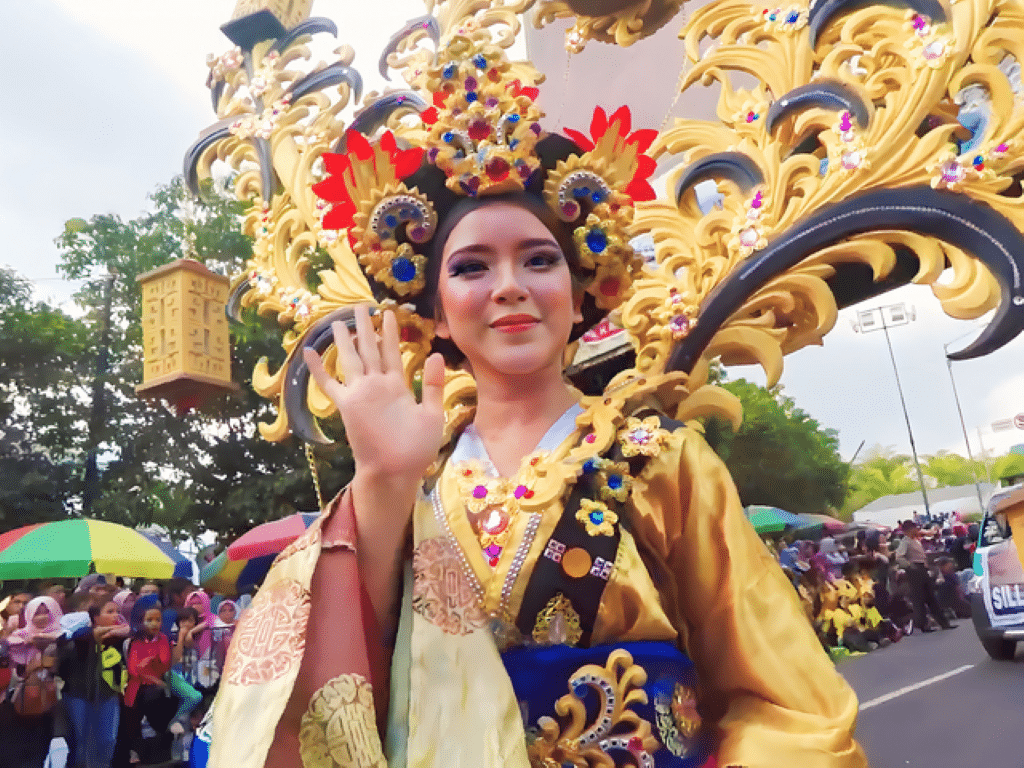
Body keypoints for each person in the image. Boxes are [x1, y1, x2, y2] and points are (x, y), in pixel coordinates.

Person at [59, 601, 129, 768]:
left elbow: (134, 629)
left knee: (107, 740)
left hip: (108, 695)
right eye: (110, 611)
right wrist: (98, 635)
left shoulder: (119, 637)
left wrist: (112, 631)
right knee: (81, 740)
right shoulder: (82, 635)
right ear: (95, 617)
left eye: (117, 611)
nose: (115, 615)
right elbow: (82, 637)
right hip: (79, 695)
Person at [114, 596, 179, 768]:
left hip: (156, 687)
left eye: (158, 620)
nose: (154, 624)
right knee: (133, 712)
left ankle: (159, 753)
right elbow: (135, 670)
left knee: (158, 705)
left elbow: (164, 663)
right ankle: (137, 751)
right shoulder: (134, 642)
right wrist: (150, 671)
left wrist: (150, 665)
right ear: (140, 621)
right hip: (137, 686)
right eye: (149, 620)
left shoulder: (163, 639)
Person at [2, 596, 62, 768]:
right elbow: (11, 672)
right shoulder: (17, 640)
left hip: (50, 703)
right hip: (20, 706)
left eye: (47, 613)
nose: (42, 617)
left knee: (43, 745)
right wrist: (31, 670)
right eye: (37, 613)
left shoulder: (63, 637)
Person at [895, 520, 954, 632]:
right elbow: (899, 557)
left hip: (922, 569)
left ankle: (943, 623)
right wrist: (909, 565)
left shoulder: (915, 540)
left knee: (931, 597)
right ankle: (923, 625)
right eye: (914, 528)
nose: (916, 530)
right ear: (909, 530)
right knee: (919, 599)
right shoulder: (905, 542)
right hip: (915, 571)